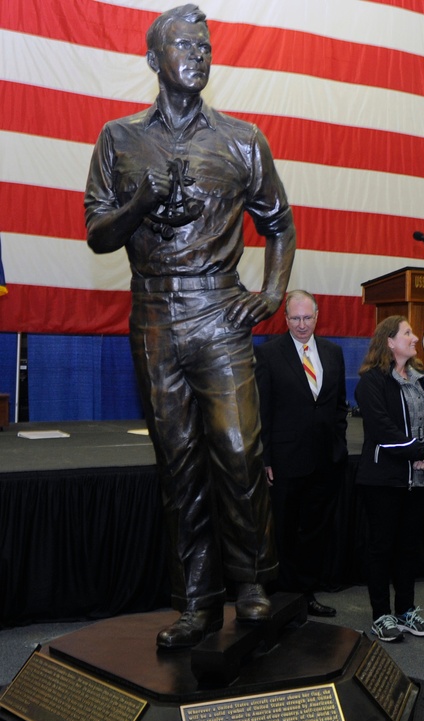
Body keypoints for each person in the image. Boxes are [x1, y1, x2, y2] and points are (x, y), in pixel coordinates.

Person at [83, 5, 295, 648]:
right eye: (183, 45)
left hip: (217, 310)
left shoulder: (241, 139)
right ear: (154, 60)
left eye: (204, 46)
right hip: (151, 313)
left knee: (237, 451)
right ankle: (196, 602)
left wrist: (272, 293)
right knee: (177, 466)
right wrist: (138, 202)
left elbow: (279, 222)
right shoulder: (117, 139)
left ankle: (255, 584)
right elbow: (97, 234)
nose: (198, 55)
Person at [255, 290, 346, 618]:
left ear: (317, 316)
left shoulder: (333, 353)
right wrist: (264, 458)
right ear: (285, 318)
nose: (302, 324)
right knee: (285, 530)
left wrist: (339, 444)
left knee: (315, 531)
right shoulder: (268, 354)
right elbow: (262, 411)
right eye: (295, 318)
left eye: (307, 317)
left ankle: (306, 595)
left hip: (325, 460)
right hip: (285, 462)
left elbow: (338, 406)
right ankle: (282, 598)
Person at [355, 316, 424, 643]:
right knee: (381, 548)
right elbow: (383, 432)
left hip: (418, 482)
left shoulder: (421, 378)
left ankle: (406, 611)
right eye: (408, 333)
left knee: (408, 548)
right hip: (383, 481)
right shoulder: (371, 381)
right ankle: (381, 615)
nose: (416, 337)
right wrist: (420, 453)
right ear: (389, 341)